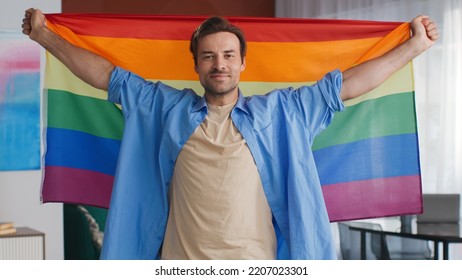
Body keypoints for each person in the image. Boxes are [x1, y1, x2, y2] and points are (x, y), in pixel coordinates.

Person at [22, 8, 439, 260]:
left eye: (227, 55)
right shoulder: (164, 108)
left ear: (242, 63)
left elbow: (346, 84)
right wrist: (44, 35)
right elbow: (106, 76)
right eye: (208, 56)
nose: (218, 64)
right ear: (197, 66)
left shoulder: (283, 113)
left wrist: (413, 47)